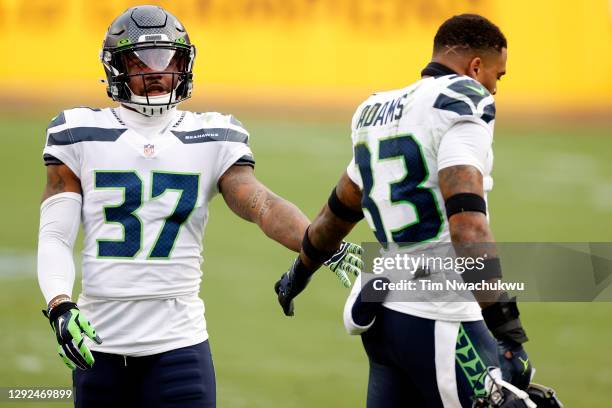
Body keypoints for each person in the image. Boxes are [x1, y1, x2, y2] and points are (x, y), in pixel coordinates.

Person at [36, 5, 362, 408]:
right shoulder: (78, 132)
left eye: (167, 58)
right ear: (116, 66)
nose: (157, 71)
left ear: (185, 61)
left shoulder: (212, 133)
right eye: (142, 60)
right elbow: (55, 232)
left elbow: (260, 203)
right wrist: (59, 304)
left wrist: (319, 242)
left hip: (179, 347)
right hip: (97, 344)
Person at [274, 14, 538, 407]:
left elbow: (337, 213)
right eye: (497, 77)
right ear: (476, 67)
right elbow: (468, 229)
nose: (494, 90)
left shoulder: (376, 110)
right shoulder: (464, 99)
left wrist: (301, 270)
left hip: (386, 318)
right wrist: (508, 331)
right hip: (440, 315)